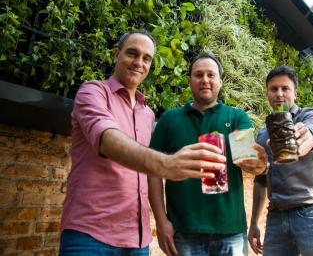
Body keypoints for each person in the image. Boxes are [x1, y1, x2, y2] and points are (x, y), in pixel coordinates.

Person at [59, 31, 226, 256]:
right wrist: (166, 165)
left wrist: (261, 165)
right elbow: (107, 140)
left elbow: (146, 174)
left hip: (138, 240)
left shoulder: (148, 113)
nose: (139, 62)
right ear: (117, 54)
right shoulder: (94, 91)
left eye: (146, 58)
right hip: (90, 233)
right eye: (132, 54)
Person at [148, 52, 268, 256]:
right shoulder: (169, 119)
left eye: (211, 75)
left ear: (220, 82)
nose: (205, 80)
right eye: (199, 75)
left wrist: (258, 163)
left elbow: (247, 159)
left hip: (231, 231)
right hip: (184, 230)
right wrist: (161, 221)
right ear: (190, 81)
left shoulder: (236, 117)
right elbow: (152, 172)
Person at [248, 66, 313, 256]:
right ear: (267, 94)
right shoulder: (263, 133)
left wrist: (304, 139)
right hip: (276, 218)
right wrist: (254, 222)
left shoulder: (310, 115)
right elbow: (261, 181)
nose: (279, 94)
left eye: (285, 88)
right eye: (273, 89)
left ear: (295, 93)